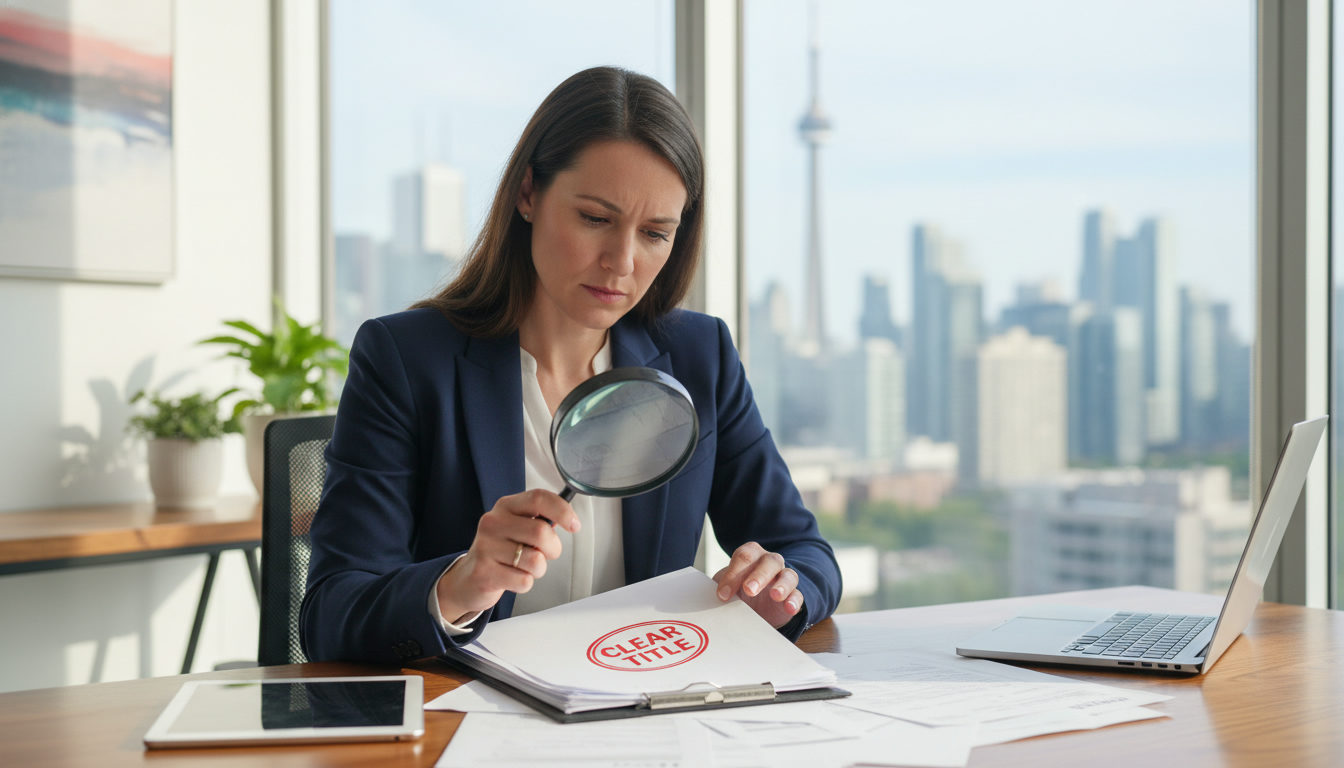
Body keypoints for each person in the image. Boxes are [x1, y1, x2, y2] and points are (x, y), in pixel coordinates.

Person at [301, 66, 841, 664]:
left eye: (655, 233)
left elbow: (805, 553)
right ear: (528, 194)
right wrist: (459, 586)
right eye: (595, 219)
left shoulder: (698, 355)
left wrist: (783, 591)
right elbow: (331, 613)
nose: (621, 262)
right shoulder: (405, 360)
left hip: (649, 721)